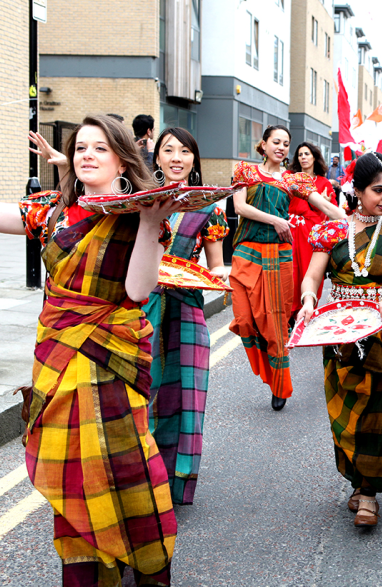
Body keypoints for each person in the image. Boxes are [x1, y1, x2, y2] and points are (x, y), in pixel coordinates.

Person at [0, 115, 180, 584]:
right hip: (57, 359)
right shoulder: (53, 212)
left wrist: (148, 224)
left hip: (110, 358)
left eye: (99, 148)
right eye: (80, 147)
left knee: (125, 464)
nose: (86, 155)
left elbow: (139, 292)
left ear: (121, 157)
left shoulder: (141, 212)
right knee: (75, 472)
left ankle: (144, 560)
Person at [296, 152, 382, 528]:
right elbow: (313, 277)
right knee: (344, 412)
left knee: (378, 414)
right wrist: (306, 303)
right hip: (340, 333)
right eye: (377, 190)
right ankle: (358, 479)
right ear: (357, 190)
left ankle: (369, 494)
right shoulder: (332, 232)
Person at [141, 127, 228, 505]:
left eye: (184, 151)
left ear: (194, 159)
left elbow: (216, 266)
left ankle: (176, 479)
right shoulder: (139, 201)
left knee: (186, 394)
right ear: (157, 157)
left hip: (187, 307)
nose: (176, 157)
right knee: (146, 392)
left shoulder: (209, 209)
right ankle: (143, 474)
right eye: (168, 150)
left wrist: (224, 275)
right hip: (143, 308)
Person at [229, 126, 343, 412]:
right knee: (244, 320)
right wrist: (276, 221)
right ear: (263, 144)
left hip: (279, 256)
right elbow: (240, 207)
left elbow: (324, 205)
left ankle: (279, 384)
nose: (281, 147)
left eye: (285, 143)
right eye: (275, 142)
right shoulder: (245, 171)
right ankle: (267, 371)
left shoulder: (294, 180)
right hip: (246, 250)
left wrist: (354, 221)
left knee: (276, 326)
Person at [286, 142, 339, 316]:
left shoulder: (323, 182)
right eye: (300, 154)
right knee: (290, 271)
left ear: (314, 157)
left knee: (311, 271)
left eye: (307, 154)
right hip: (291, 230)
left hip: (312, 234)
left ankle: (308, 309)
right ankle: (290, 312)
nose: (303, 157)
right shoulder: (289, 177)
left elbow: (334, 213)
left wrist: (323, 202)